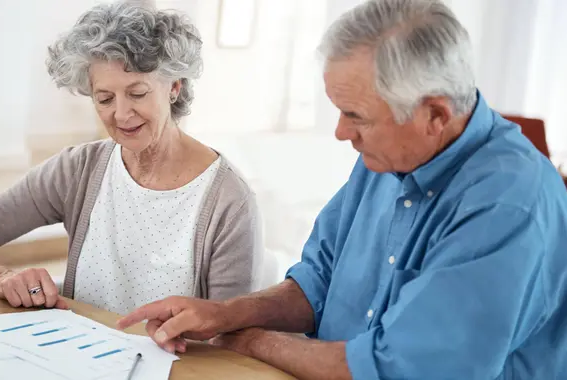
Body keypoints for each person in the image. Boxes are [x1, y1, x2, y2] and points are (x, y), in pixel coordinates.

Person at [116, 0, 567, 379]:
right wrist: (228, 313)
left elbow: (398, 369)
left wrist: (249, 339)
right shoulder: (386, 157)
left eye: (357, 116)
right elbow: (317, 283)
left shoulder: (509, 204)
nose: (340, 133)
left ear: (435, 115)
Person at [0, 1, 262, 319]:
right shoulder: (78, 169)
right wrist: (0, 276)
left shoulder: (228, 201)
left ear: (174, 87)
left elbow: (231, 341)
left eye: (137, 93)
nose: (121, 114)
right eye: (105, 98)